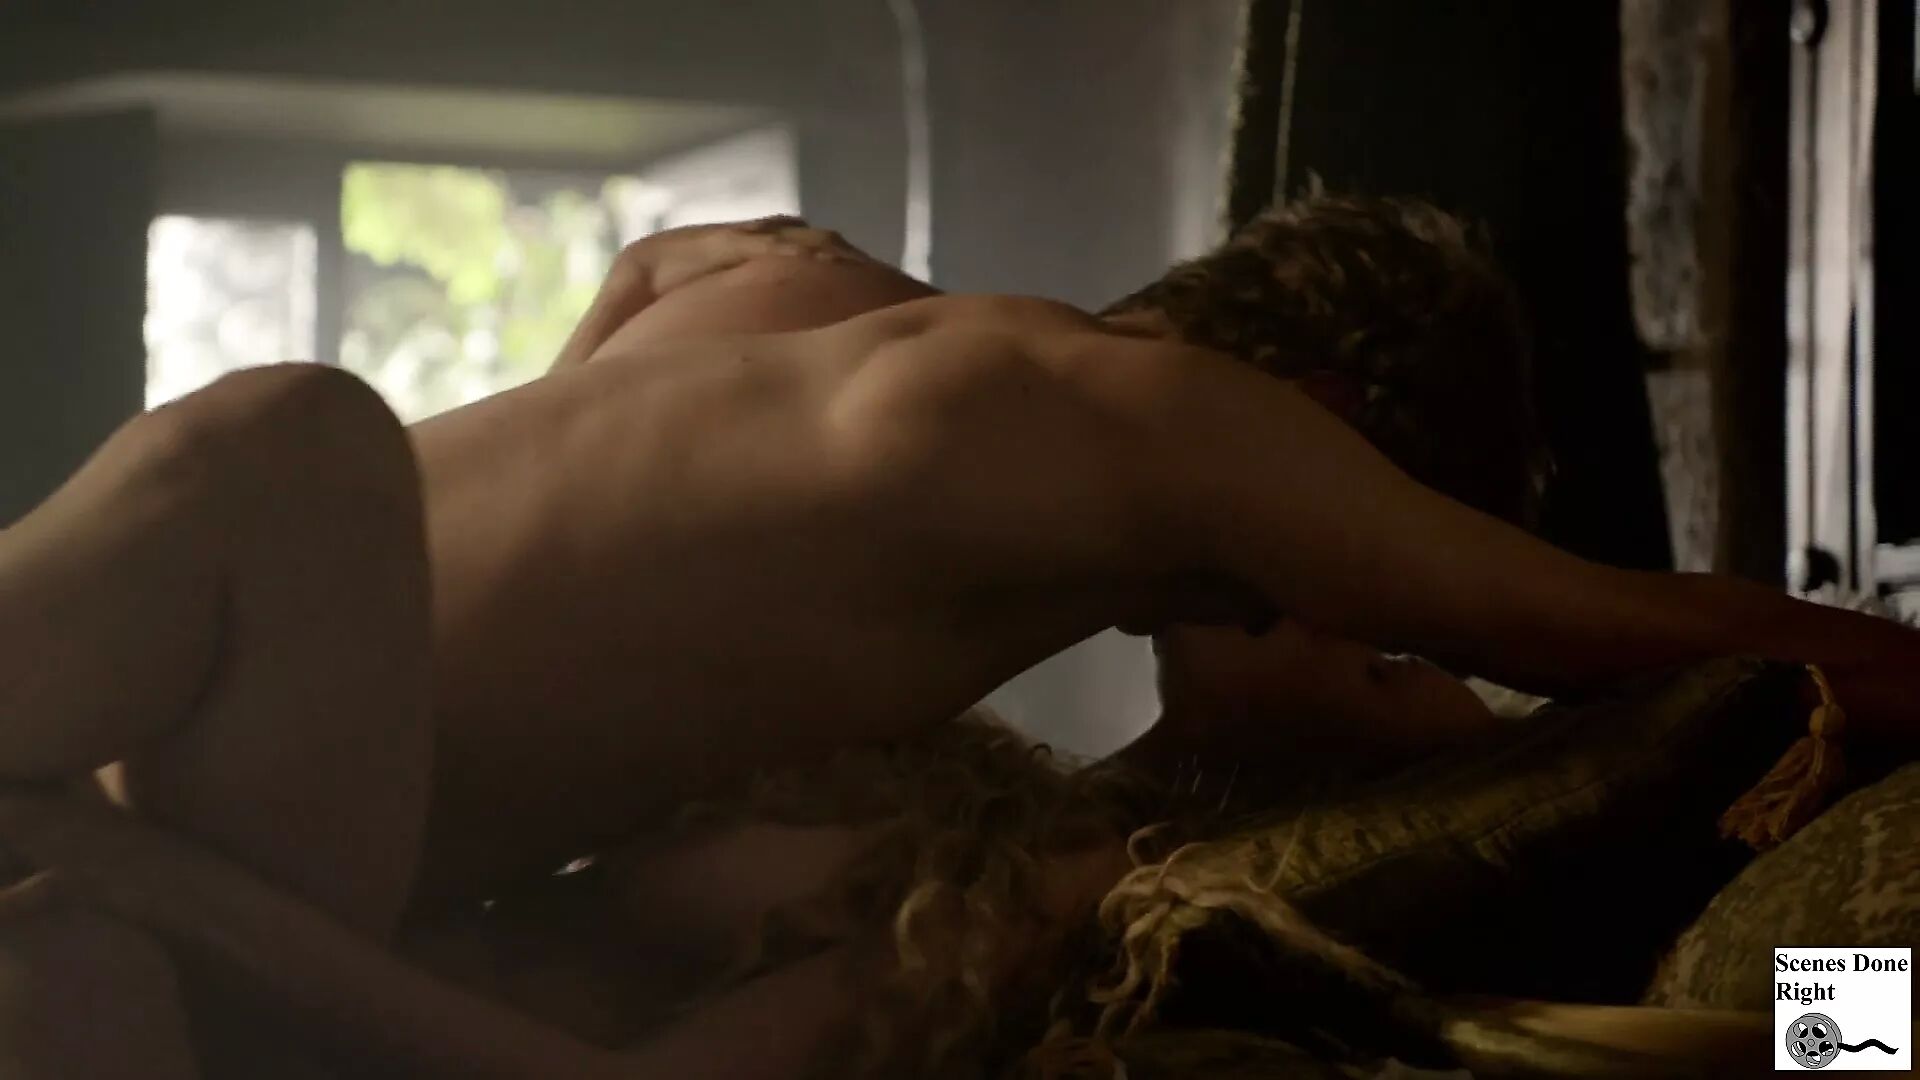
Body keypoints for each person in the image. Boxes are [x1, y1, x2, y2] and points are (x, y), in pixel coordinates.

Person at [0, 200, 1910, 1077]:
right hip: (259, 782)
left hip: (248, 839)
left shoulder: (833, 311)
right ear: (1322, 417)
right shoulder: (1157, 431)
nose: (1331, 601)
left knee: (295, 447)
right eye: (1352, 557)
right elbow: (1602, 622)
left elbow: (1618, 660)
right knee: (296, 454)